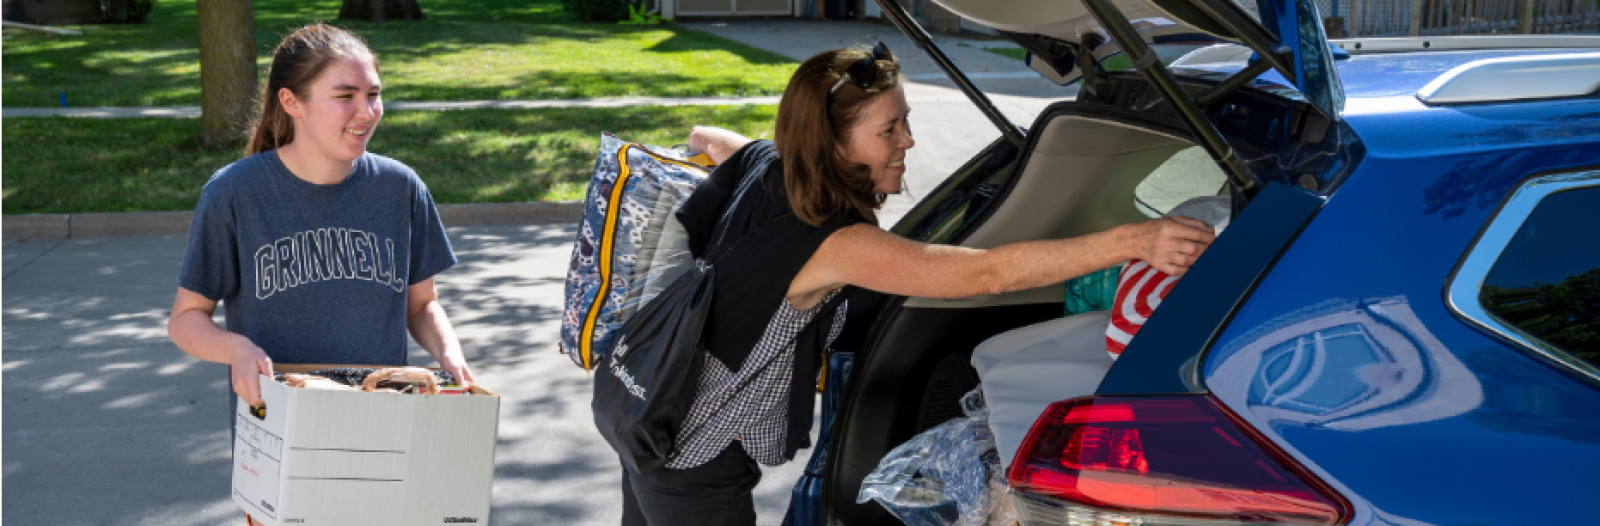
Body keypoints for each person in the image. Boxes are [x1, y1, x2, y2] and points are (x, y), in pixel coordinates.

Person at [615, 42, 1216, 525]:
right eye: (889, 129)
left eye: (906, 122)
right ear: (831, 142)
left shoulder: (770, 164)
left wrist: (696, 146)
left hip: (639, 407)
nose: (907, 141)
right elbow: (983, 273)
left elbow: (711, 141)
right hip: (691, 455)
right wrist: (1135, 241)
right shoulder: (835, 243)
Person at [165, 24, 474, 524]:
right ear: (292, 101)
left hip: (381, 435)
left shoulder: (401, 188)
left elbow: (421, 305)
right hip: (282, 442)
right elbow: (186, 319)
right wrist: (235, 348)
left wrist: (449, 353)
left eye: (374, 94)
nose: (367, 111)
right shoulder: (235, 194)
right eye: (345, 95)